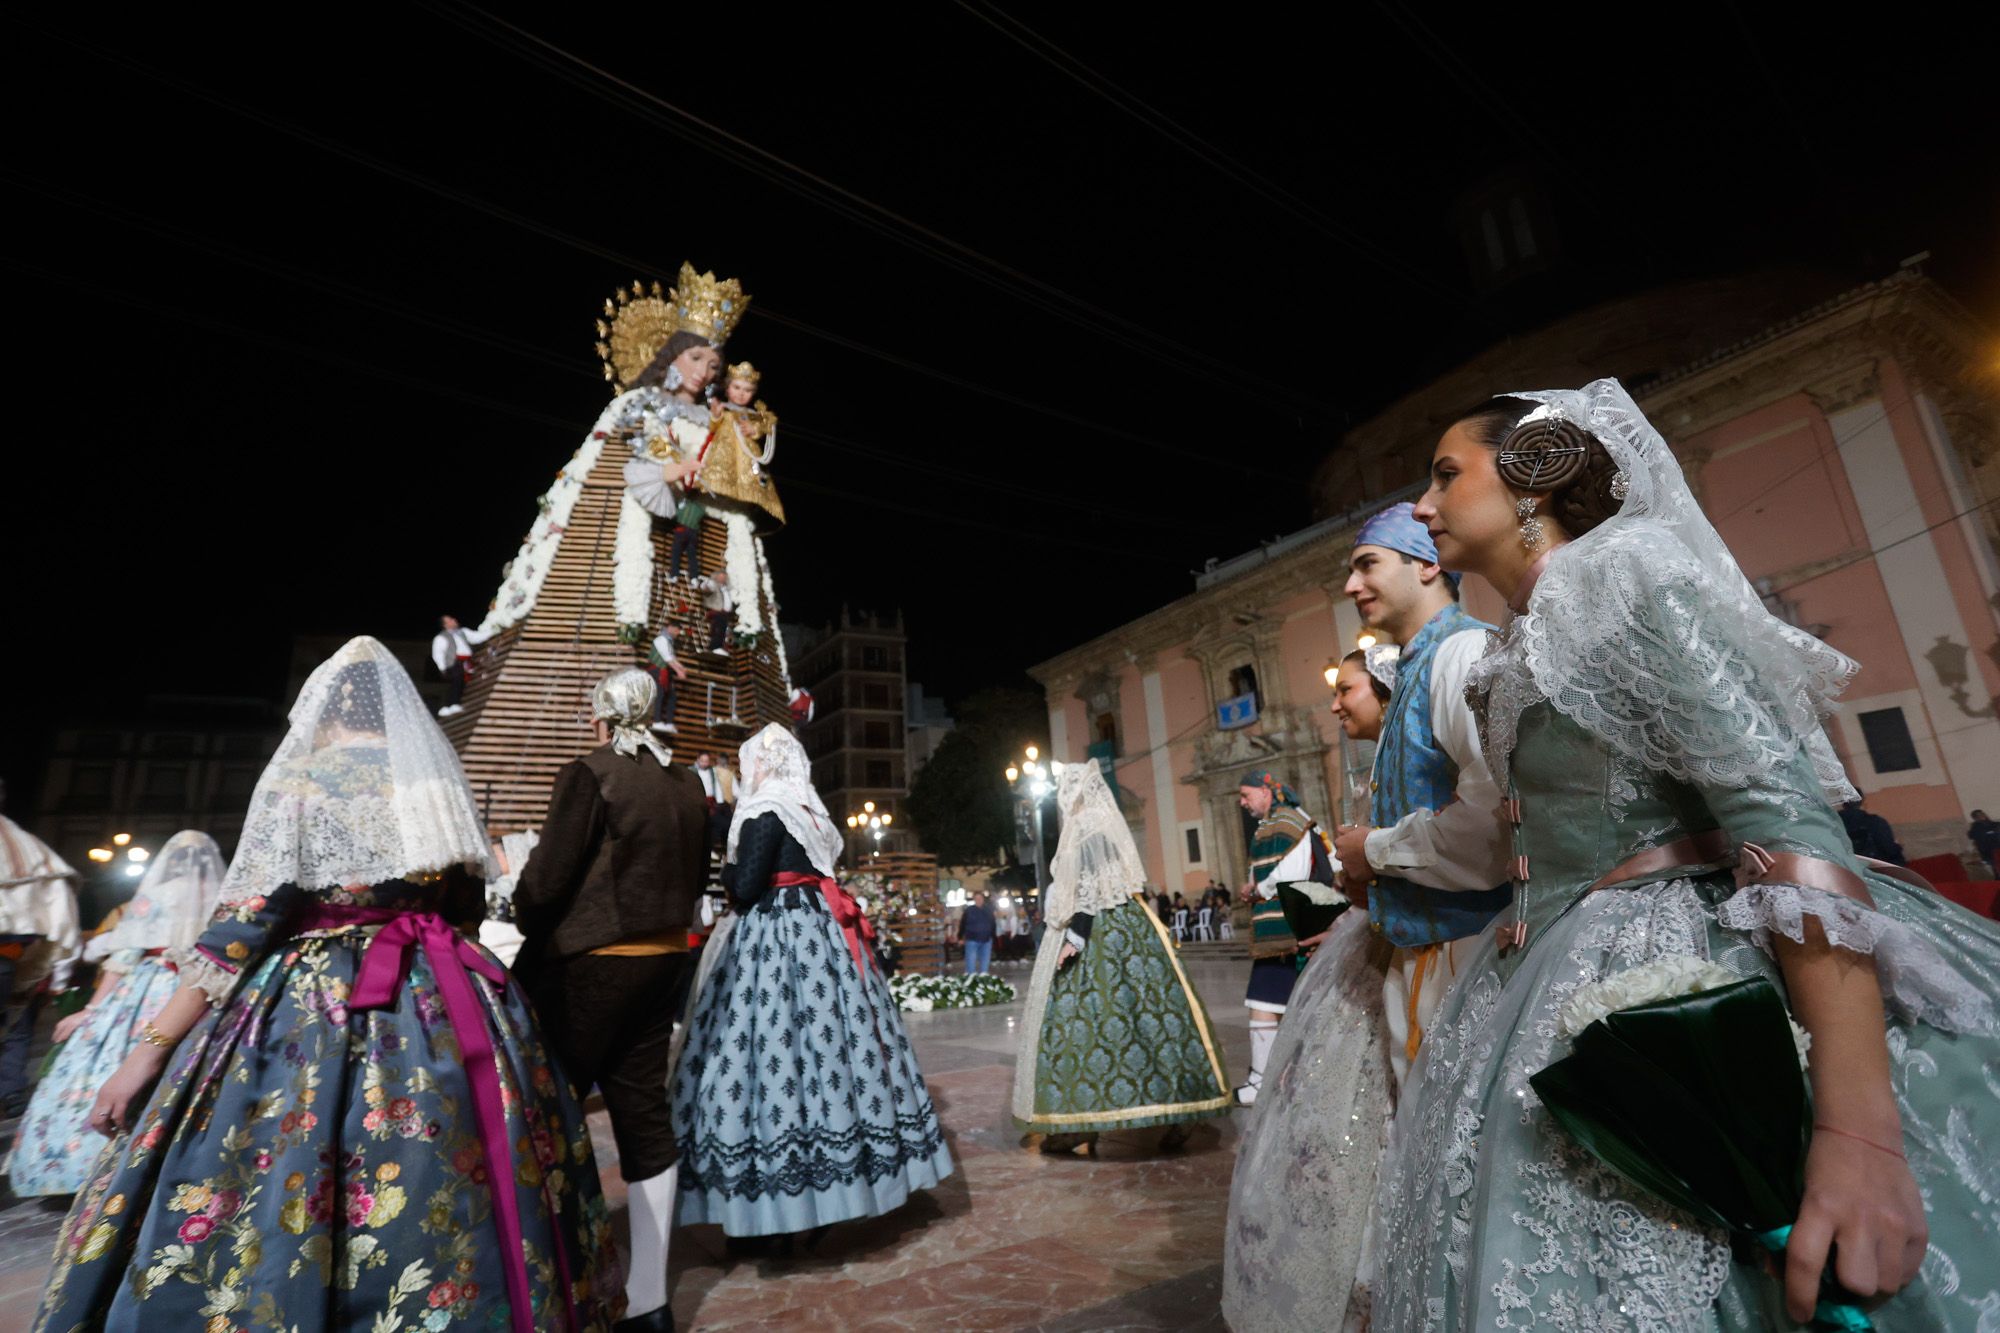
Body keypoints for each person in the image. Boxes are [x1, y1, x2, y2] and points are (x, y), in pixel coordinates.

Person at [1377, 380, 2000, 1328]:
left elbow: (1780, 811)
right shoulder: (1517, 640)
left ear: (1532, 476)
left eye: (1445, 475)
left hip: (1690, 960)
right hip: (1550, 981)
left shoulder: (1621, 572)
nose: (1425, 508)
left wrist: (1855, 1128)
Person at [34, 636, 616, 1331]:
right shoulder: (433, 782)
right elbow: (462, 907)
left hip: (313, 1000)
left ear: (326, 709)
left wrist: (149, 1048)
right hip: (439, 990)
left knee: (276, 1162)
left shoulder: (304, 779)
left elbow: (242, 925)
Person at [671, 724, 952, 1238]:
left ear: (763, 763)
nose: (745, 772)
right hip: (822, 927)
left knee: (769, 1048)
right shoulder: (809, 810)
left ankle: (777, 1206)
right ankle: (849, 1182)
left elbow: (749, 883)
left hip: (775, 934)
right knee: (836, 1048)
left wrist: (727, 867)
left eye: (748, 762)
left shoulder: (763, 809)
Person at [513, 668, 710, 1333]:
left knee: (550, 1109)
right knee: (644, 1117)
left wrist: (521, 905)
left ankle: (554, 1277)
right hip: (662, 964)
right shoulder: (687, 784)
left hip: (589, 968)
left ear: (601, 716)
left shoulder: (592, 771)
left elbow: (544, 885)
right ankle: (651, 1299)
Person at [1224, 650, 1398, 1333]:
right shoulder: (1279, 823)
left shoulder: (1290, 824)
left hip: (1379, 933)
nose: (1333, 702)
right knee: (1268, 1012)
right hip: (1353, 930)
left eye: (1345, 688)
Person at [1328, 502, 1513, 1093]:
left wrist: (1375, 852)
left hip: (1468, 956)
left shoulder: (1462, 654)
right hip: (1429, 955)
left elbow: (1497, 822)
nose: (1352, 585)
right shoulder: (1417, 665)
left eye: (1368, 564)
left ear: (1428, 564)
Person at [1015, 762, 1231, 1154]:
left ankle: (1080, 1122)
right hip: (1132, 925)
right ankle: (1183, 1107)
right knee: (1152, 1022)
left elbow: (1089, 888)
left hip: (1094, 929)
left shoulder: (1084, 824)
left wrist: (1076, 938)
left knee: (1085, 1023)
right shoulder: (1105, 820)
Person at [5, 831, 224, 1198]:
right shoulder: (222, 896)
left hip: (145, 986)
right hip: (195, 988)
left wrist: (91, 1010)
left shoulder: (158, 893)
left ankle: (86, 1164)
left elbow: (122, 959)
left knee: (108, 1065)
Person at [1232, 771, 1342, 1106]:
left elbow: (1289, 873)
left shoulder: (1289, 821)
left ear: (1266, 792)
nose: (1242, 801)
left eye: (1246, 794)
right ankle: (1270, 1076)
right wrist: (1254, 886)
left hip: (1286, 929)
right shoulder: (1277, 822)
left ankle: (1264, 1080)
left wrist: (1260, 890)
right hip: (1280, 929)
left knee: (1266, 1002)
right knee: (1268, 1001)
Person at [0, 814, 81, 1119]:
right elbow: (60, 925)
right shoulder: (26, 848)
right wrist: (36, 976)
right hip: (7, 963)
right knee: (18, 1033)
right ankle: (12, 1092)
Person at [432, 613, 492, 717]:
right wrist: (442, 668)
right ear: (445, 625)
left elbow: (476, 637)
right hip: (453, 663)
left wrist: (492, 631)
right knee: (457, 680)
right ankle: (452, 703)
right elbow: (438, 653)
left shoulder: (463, 632)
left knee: (466, 681)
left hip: (467, 662)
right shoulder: (441, 637)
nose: (453, 620)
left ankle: (459, 704)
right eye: (450, 620)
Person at [1840, 796, 1907, 867]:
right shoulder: (1875, 822)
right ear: (1862, 802)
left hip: (1843, 870)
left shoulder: (1833, 824)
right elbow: (1889, 848)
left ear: (1843, 803)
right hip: (1874, 869)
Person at [648, 623, 688, 735]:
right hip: (657, 671)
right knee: (659, 695)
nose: (677, 633)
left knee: (672, 696)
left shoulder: (669, 641)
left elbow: (672, 658)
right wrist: (679, 670)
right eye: (677, 630)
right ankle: (656, 721)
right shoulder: (661, 639)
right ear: (670, 628)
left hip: (665, 672)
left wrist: (681, 667)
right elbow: (667, 658)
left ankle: (669, 723)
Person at [959, 890, 997, 975]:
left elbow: (993, 924)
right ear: (974, 899)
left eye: (980, 898)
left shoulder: (989, 910)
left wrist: (993, 937)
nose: (978, 900)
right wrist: (960, 937)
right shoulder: (969, 910)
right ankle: (971, 981)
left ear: (983, 899)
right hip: (972, 940)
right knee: (970, 965)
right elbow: (963, 924)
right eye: (976, 898)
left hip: (986, 940)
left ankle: (983, 981)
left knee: (985, 965)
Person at [697, 576, 734, 656]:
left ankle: (717, 648)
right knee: (717, 632)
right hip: (718, 615)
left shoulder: (723, 590)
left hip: (721, 614)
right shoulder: (714, 587)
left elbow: (727, 606)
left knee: (719, 632)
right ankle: (715, 648)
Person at [1968, 808, 2000, 876]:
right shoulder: (1976, 828)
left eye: (1983, 814)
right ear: (1975, 818)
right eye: (1979, 815)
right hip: (1989, 853)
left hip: (1997, 850)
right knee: (1996, 869)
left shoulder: (1994, 824)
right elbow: (1972, 836)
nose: (1982, 815)